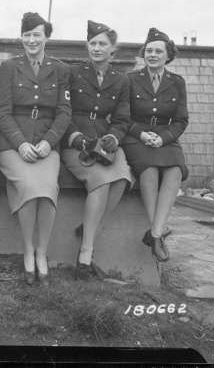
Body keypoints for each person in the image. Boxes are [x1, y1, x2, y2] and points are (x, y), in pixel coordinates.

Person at [0, 12, 71, 286]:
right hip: (13, 145)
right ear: (21, 38)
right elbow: (2, 113)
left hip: (45, 145)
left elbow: (64, 113)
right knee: (28, 186)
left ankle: (42, 253)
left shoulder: (61, 69)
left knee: (48, 187)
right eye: (26, 35)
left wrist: (48, 142)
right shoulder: (9, 68)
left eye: (36, 35)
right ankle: (28, 251)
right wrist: (21, 143)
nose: (31, 40)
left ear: (46, 37)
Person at [62, 20, 134, 279]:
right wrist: (76, 136)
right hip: (78, 145)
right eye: (92, 43)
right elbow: (63, 112)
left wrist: (114, 137)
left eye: (102, 43)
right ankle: (85, 256)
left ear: (112, 49)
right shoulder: (74, 73)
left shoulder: (121, 80)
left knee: (122, 178)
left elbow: (123, 119)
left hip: (106, 144)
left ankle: (89, 228)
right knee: (102, 181)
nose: (97, 48)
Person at [122, 27, 189, 262]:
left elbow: (181, 120)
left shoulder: (177, 82)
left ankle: (155, 233)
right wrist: (141, 134)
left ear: (167, 54)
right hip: (136, 135)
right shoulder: (130, 80)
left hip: (165, 136)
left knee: (174, 171)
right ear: (143, 53)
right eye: (148, 50)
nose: (152, 55)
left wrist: (164, 137)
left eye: (158, 51)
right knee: (148, 171)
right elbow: (122, 116)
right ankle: (158, 234)